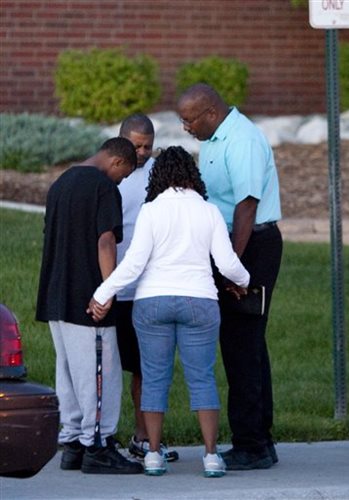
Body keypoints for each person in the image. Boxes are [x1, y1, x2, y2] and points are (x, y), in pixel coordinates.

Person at [87, 146, 250, 478]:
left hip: (152, 302)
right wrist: (244, 281)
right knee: (202, 377)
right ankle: (210, 456)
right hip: (200, 301)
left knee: (154, 378)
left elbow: (133, 264)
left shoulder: (151, 211)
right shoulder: (208, 211)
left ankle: (153, 455)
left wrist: (102, 293)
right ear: (193, 174)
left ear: (156, 175)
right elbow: (227, 263)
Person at [177, 83, 283, 470]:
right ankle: (260, 441)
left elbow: (246, 206)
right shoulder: (215, 137)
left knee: (243, 344)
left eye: (189, 120)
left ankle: (252, 445)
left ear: (210, 113)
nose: (186, 127)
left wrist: (233, 269)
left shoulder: (242, 139)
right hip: (232, 246)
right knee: (246, 344)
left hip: (251, 246)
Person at [36, 137, 143, 475]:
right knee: (100, 373)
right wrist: (107, 291)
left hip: (55, 296)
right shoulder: (102, 187)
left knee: (67, 372)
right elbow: (105, 239)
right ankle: (97, 444)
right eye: (124, 175)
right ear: (118, 162)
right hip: (87, 300)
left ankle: (72, 444)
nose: (121, 181)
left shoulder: (61, 183)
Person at [116, 113, 178, 462]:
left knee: (146, 370)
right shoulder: (109, 176)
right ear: (121, 140)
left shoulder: (160, 176)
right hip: (118, 288)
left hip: (151, 289)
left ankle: (144, 439)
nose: (141, 152)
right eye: (136, 145)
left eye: (147, 146)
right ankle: (96, 440)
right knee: (110, 369)